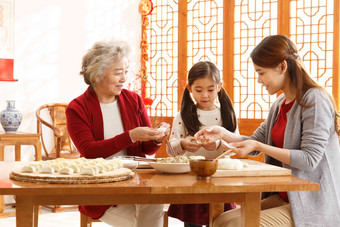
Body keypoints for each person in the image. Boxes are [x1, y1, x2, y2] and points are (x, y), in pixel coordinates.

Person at [195, 35, 340, 227]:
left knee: (234, 225)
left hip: (313, 203)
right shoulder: (280, 103)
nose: (258, 80)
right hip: (286, 198)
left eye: (261, 73)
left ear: (282, 67)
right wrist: (222, 133)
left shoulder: (314, 100)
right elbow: (254, 142)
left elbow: (309, 159)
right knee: (222, 219)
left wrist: (258, 145)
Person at [65, 40, 170, 227]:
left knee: (155, 199)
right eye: (118, 72)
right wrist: (129, 136)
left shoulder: (134, 100)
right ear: (97, 74)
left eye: (126, 71)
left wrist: (157, 139)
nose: (124, 78)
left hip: (135, 181)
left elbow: (147, 148)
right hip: (101, 188)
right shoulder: (77, 108)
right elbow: (89, 150)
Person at [167, 61, 238, 227]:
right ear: (190, 87)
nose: (205, 95)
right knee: (192, 223)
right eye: (198, 90)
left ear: (219, 87)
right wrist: (183, 144)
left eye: (211, 89)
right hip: (191, 180)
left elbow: (236, 147)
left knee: (222, 221)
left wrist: (219, 144)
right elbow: (171, 149)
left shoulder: (226, 114)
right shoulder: (182, 115)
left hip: (220, 180)